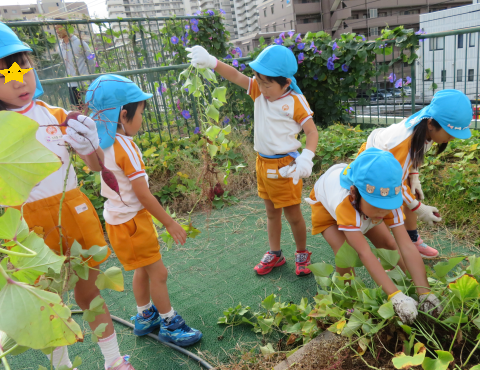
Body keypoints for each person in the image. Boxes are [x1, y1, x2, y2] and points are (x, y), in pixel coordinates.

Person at [0, 22, 134, 369]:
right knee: (48, 306)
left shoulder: (57, 117)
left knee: (90, 292)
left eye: (21, 68)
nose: (17, 80)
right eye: (3, 75)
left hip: (70, 213)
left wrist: (90, 146)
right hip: (25, 229)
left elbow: (93, 164)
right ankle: (63, 365)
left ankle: (113, 360)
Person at [86, 74, 203, 346]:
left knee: (142, 269)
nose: (142, 119)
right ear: (123, 114)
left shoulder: (103, 145)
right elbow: (143, 194)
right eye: (140, 113)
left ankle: (145, 315)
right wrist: (169, 223)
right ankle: (170, 323)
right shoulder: (126, 146)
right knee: (158, 273)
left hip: (116, 223)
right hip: (134, 222)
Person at [187, 44, 319, 276]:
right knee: (270, 212)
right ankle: (275, 253)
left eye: (267, 83)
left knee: (293, 215)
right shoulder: (259, 91)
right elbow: (236, 75)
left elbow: (312, 132)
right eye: (259, 81)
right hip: (263, 163)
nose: (262, 87)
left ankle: (301, 252)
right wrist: (212, 62)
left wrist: (306, 158)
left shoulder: (296, 101)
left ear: (286, 82)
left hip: (286, 167)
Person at [305, 148, 442, 324]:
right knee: (346, 254)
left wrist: (425, 292)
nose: (383, 211)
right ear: (354, 193)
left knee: (389, 243)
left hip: (364, 203)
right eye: (377, 206)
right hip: (326, 208)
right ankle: (346, 300)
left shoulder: (387, 199)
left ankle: (411, 286)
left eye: (387, 206)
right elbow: (364, 252)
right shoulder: (344, 203)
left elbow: (406, 245)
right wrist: (395, 296)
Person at [356, 89, 473, 258]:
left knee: (410, 191)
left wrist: (414, 177)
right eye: (450, 133)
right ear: (432, 124)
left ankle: (411, 240)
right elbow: (395, 183)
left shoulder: (425, 125)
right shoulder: (403, 142)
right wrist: (420, 209)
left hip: (394, 162)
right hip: (373, 163)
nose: (452, 139)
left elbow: (414, 156)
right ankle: (392, 249)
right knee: (389, 201)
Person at [54, 19, 95, 108]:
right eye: (55, 29)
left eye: (59, 28)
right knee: (78, 111)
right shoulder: (60, 47)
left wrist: (90, 75)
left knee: (90, 108)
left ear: (67, 28)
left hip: (85, 83)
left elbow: (91, 57)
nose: (57, 31)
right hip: (71, 84)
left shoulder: (80, 43)